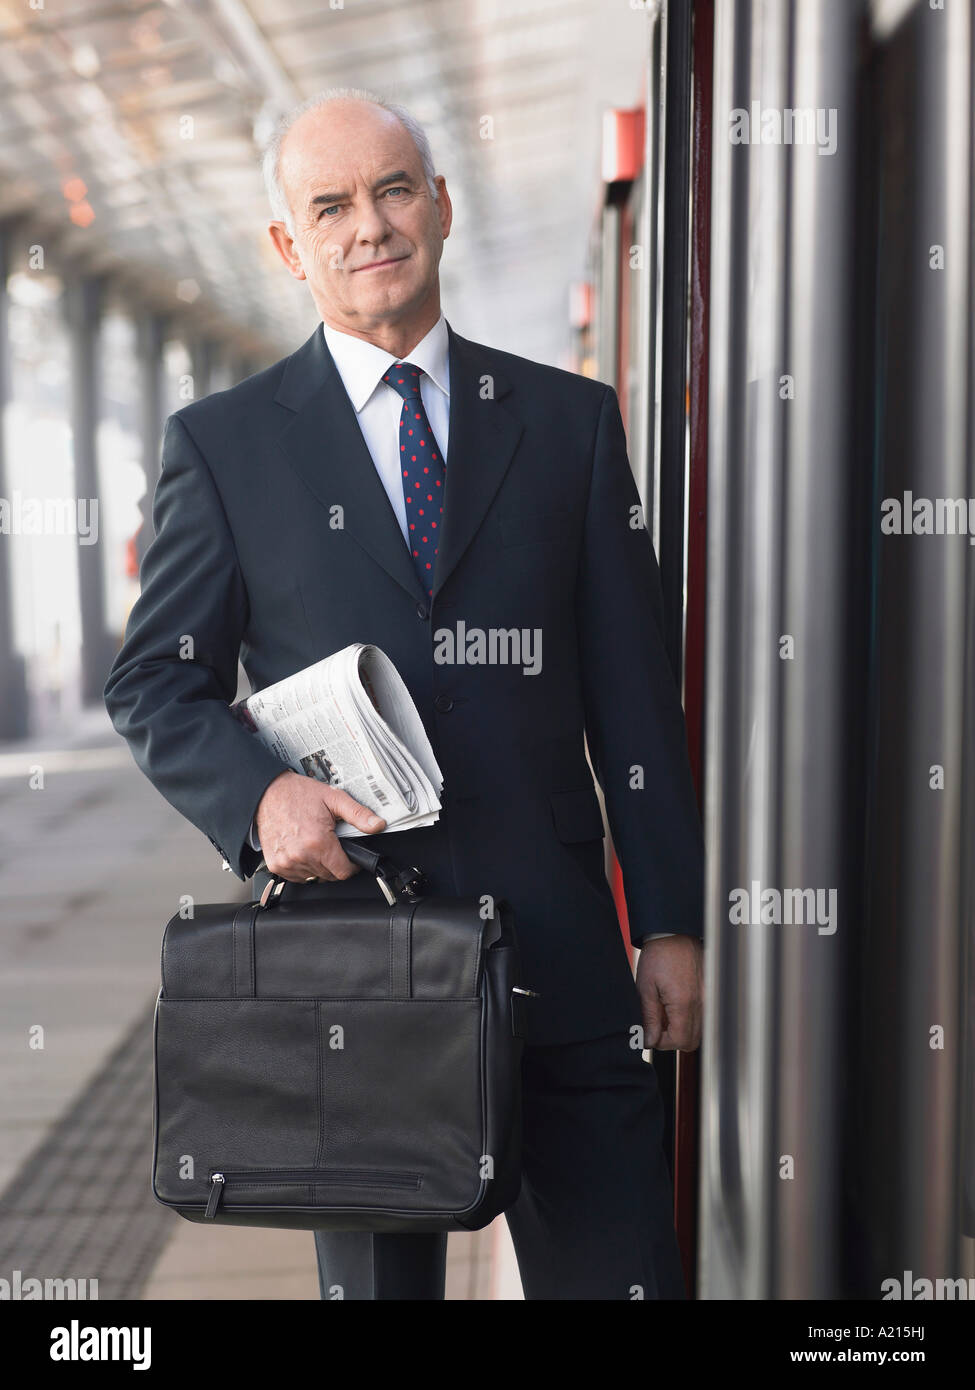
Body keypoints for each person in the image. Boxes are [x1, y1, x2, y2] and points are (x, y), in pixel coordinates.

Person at [104, 87, 705, 1301]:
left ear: (440, 204)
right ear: (290, 246)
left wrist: (673, 922)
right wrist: (261, 796)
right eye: (329, 206)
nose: (367, 225)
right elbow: (154, 684)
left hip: (567, 972)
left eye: (391, 190)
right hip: (360, 988)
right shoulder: (225, 447)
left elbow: (636, 704)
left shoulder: (570, 424)